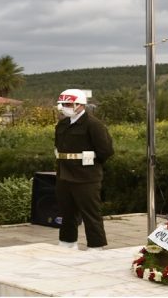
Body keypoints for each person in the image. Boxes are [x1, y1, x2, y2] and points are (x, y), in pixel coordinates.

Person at [53, 89, 115, 251]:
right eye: (63, 104)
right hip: (64, 174)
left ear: (79, 105)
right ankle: (67, 241)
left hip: (86, 177)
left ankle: (96, 245)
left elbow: (106, 150)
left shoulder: (93, 124)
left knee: (90, 213)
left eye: (68, 104)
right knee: (67, 212)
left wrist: (90, 163)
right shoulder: (62, 124)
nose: (65, 107)